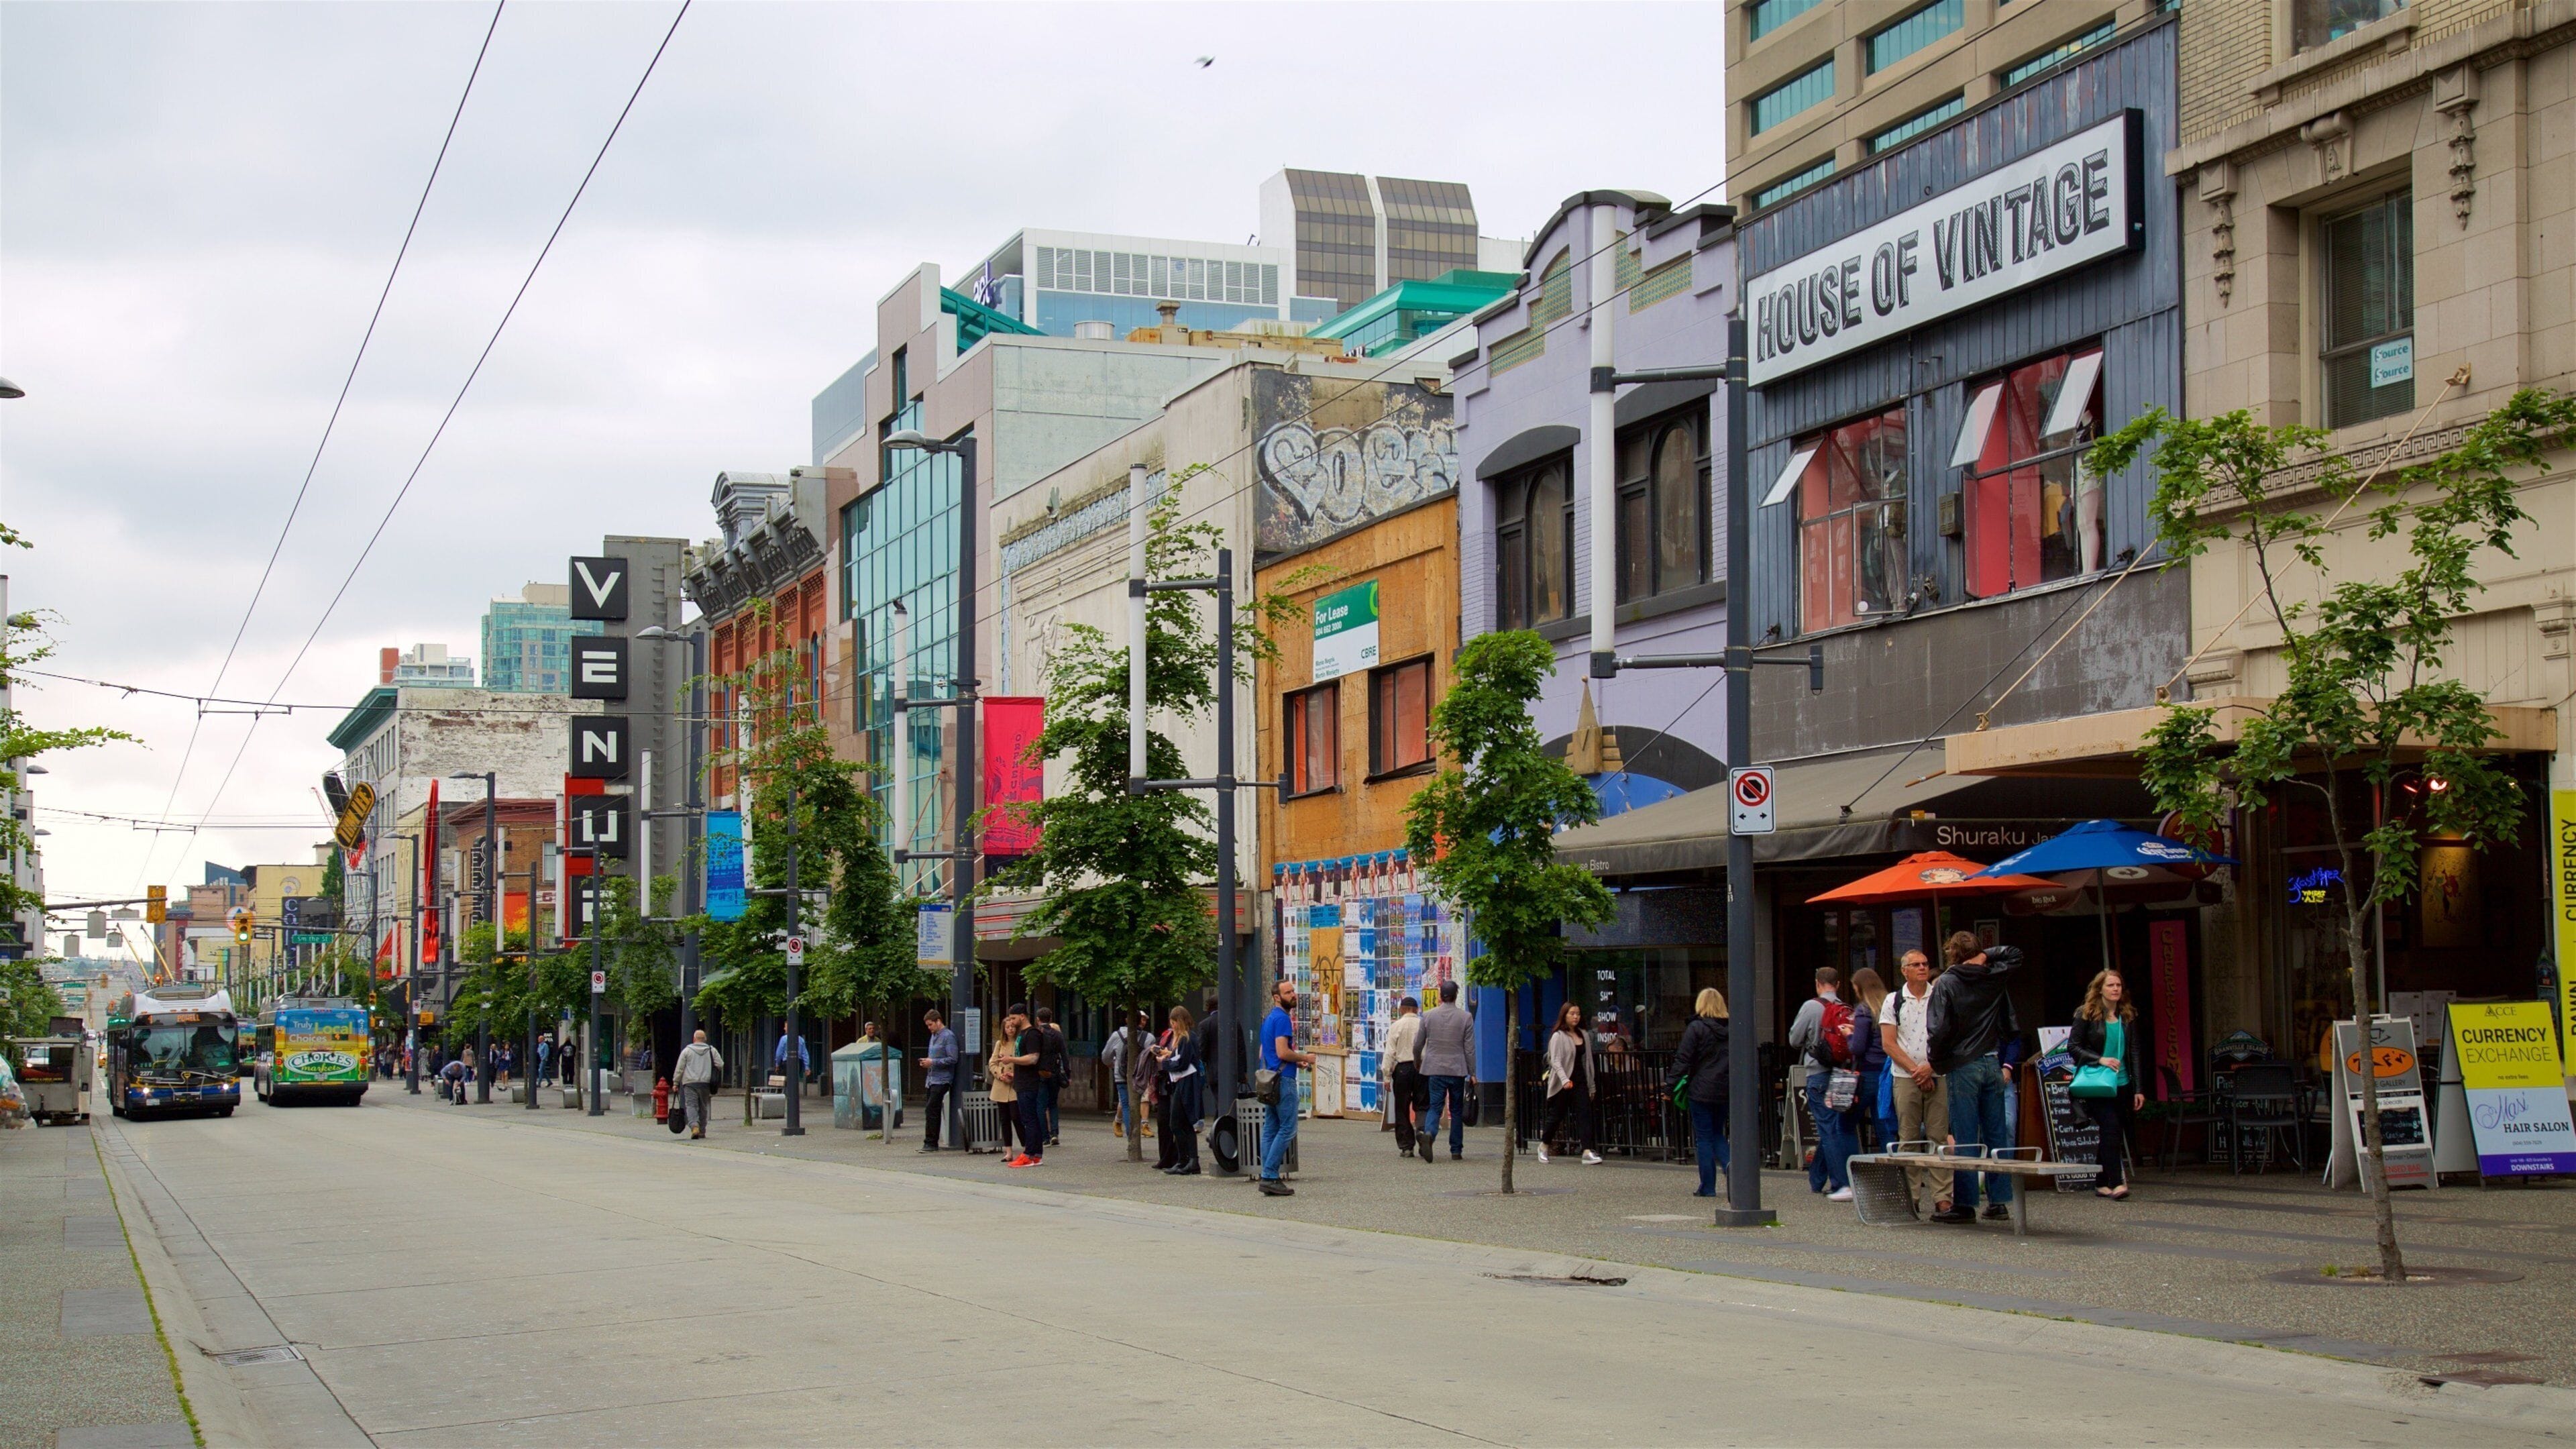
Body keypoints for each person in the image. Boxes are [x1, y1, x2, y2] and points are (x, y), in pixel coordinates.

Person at [1926, 931, 2026, 1224]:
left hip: (1963, 1063)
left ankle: (1966, 1203)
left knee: (1966, 1135)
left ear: (1952, 953)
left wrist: (1937, 1059)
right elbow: (2015, 953)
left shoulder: (1946, 982)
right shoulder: (1993, 975)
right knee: (1996, 1134)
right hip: (1992, 1059)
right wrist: (1985, 956)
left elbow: (1938, 1028)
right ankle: (1999, 1201)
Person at [1880, 949, 1953, 1220]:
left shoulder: (1940, 997)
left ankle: (1943, 1198)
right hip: (1905, 1076)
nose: (1922, 968)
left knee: (1939, 1137)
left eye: (1925, 964)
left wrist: (1930, 1067)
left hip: (1938, 1073)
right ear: (1905, 971)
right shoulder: (1894, 1000)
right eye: (1916, 965)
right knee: (1908, 1138)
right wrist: (1916, 1071)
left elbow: (1951, 1038)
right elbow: (1889, 1043)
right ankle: (1911, 1197)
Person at [2068, 969, 2145, 1200]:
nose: (2115, 989)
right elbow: (2073, 1047)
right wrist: (2100, 1059)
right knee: (2110, 1127)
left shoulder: (2127, 1016)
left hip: (2122, 1083)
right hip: (2097, 1083)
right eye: (2110, 985)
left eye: (2118, 985)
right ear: (2100, 989)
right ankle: (2116, 1182)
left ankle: (2101, 1183)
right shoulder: (2086, 1013)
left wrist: (2138, 1089)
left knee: (2113, 1131)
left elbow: (2134, 1052)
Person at [1788, 967, 1859, 1201]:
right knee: (1836, 1127)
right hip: (1841, 1074)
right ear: (1837, 984)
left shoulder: (1811, 1006)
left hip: (1818, 1073)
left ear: (1818, 983)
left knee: (1829, 1130)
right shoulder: (1846, 1008)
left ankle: (1842, 1183)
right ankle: (1817, 1179)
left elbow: (1794, 1039)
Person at [1671, 987, 1732, 1198]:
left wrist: (1670, 1086)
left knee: (1704, 1138)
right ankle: (1730, 1165)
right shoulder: (1732, 1028)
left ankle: (1708, 1186)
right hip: (1725, 1088)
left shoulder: (1696, 1028)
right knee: (1718, 1133)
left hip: (1701, 1088)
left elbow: (1683, 1059)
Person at [1258, 977, 1312, 1195]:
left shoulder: (1269, 1019)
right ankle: (1270, 1175)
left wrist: (1294, 1061)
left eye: (1293, 991)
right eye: (1288, 993)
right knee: (1288, 1128)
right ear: (1277, 997)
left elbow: (1266, 1052)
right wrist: (1304, 1057)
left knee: (1270, 1128)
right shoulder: (1282, 1019)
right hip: (1283, 1081)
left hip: (1270, 1079)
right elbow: (1282, 1052)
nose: (1293, 995)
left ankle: (1267, 1175)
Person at [1415, 979, 1474, 1163]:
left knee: (1435, 1106)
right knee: (1456, 1110)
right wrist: (1473, 1072)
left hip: (1434, 1068)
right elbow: (1469, 1049)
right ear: (1456, 996)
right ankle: (1456, 1150)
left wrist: (1418, 1062)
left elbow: (1418, 1044)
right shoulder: (1465, 1018)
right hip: (1457, 1069)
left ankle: (1430, 1134)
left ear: (1440, 996)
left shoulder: (1428, 1016)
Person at [1539, 1002, 1601, 1165]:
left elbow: (1588, 1061)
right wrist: (1565, 1079)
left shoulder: (1584, 1035)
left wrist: (1591, 1085)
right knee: (1556, 1116)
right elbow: (1555, 1061)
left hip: (1580, 1081)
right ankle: (1544, 1145)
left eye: (1578, 1014)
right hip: (1563, 1083)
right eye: (1572, 1014)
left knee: (1584, 1114)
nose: (1576, 1017)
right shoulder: (1558, 1036)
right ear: (1564, 1016)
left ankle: (1587, 1151)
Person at [1847, 967, 1896, 1151]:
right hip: (1887, 1072)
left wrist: (1849, 1035)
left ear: (1860, 987)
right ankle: (1893, 1166)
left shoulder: (1864, 1010)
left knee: (1842, 1125)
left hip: (1867, 1073)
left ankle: (1844, 1166)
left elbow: (1858, 1047)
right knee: (1884, 1127)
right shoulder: (1889, 1007)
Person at [1153, 1006, 1203, 1175]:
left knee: (1176, 1122)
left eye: (1174, 1022)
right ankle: (1189, 1161)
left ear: (1179, 1021)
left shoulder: (1186, 1038)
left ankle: (1186, 1160)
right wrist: (1170, 1057)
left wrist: (1165, 1063)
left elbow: (1181, 1063)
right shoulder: (1186, 1038)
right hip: (1184, 1081)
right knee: (1184, 1123)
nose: (1172, 1025)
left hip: (1185, 1082)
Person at [1005, 1006, 1048, 1167]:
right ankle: (1036, 1154)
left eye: (1013, 1018)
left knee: (1029, 1119)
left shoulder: (1032, 1034)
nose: (1011, 1022)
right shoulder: (1022, 1034)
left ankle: (1029, 1154)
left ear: (1022, 1016)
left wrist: (1011, 1059)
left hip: (1029, 1083)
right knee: (1031, 1118)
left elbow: (1033, 1058)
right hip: (1022, 1080)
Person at [1386, 996, 1424, 1155]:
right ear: (1417, 1010)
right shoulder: (1423, 1024)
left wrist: (1387, 1075)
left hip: (1402, 1069)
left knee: (1402, 1108)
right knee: (1422, 1105)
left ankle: (1406, 1146)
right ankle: (1423, 1133)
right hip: (1421, 1068)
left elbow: (1390, 1053)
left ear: (1402, 1009)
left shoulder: (1396, 1026)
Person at [917, 1008, 957, 1152]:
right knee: (930, 1110)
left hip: (942, 1079)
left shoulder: (948, 1037)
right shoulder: (934, 1036)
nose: (929, 1028)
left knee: (932, 1109)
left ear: (938, 1021)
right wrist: (928, 1062)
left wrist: (932, 1062)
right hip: (932, 1078)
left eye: (931, 1025)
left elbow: (953, 1058)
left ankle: (931, 1142)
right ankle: (930, 1141)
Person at [672, 1029, 722, 1140]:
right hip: (705, 1083)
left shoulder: (687, 1051)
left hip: (690, 1083)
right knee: (703, 1107)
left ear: (694, 1039)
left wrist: (676, 1082)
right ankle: (702, 1131)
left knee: (691, 1105)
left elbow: (680, 1068)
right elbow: (720, 1064)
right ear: (705, 1040)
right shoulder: (711, 1050)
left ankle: (694, 1126)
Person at [1105, 1010, 1144, 1138]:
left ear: (1126, 1020)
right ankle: (1138, 1130)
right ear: (1140, 1021)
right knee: (1138, 1103)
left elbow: (1105, 1056)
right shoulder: (1147, 1037)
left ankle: (1131, 1136)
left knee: (1126, 1104)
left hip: (1121, 1075)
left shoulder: (1116, 1036)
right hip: (1140, 1077)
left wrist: (1113, 1064)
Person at [986, 1022, 1019, 1156]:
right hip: (1001, 1085)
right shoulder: (1000, 1044)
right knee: (1004, 1119)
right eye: (1008, 1027)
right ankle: (1008, 1151)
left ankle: (1026, 1147)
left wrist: (1014, 1075)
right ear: (1004, 1030)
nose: (1011, 1029)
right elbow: (992, 1063)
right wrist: (1000, 1074)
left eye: (1013, 1026)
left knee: (1016, 1117)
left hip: (1016, 1085)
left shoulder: (1020, 1042)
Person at [1035, 1006, 1066, 1146]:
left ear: (1038, 1020)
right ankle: (1055, 1133)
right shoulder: (1057, 1035)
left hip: (1040, 1073)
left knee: (1041, 1106)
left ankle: (1045, 1137)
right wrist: (1067, 1073)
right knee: (1053, 1104)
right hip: (1054, 1073)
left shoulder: (1036, 1034)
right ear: (1050, 1018)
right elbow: (1064, 1055)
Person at [772, 1027, 810, 1097]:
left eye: (785, 1027)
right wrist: (807, 1067)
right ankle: (793, 1095)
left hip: (786, 1062)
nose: (784, 1028)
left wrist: (777, 1064)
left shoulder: (784, 1039)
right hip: (798, 1062)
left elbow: (779, 1053)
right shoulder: (801, 1040)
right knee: (794, 1080)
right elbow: (805, 1054)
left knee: (784, 1080)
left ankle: (784, 1095)